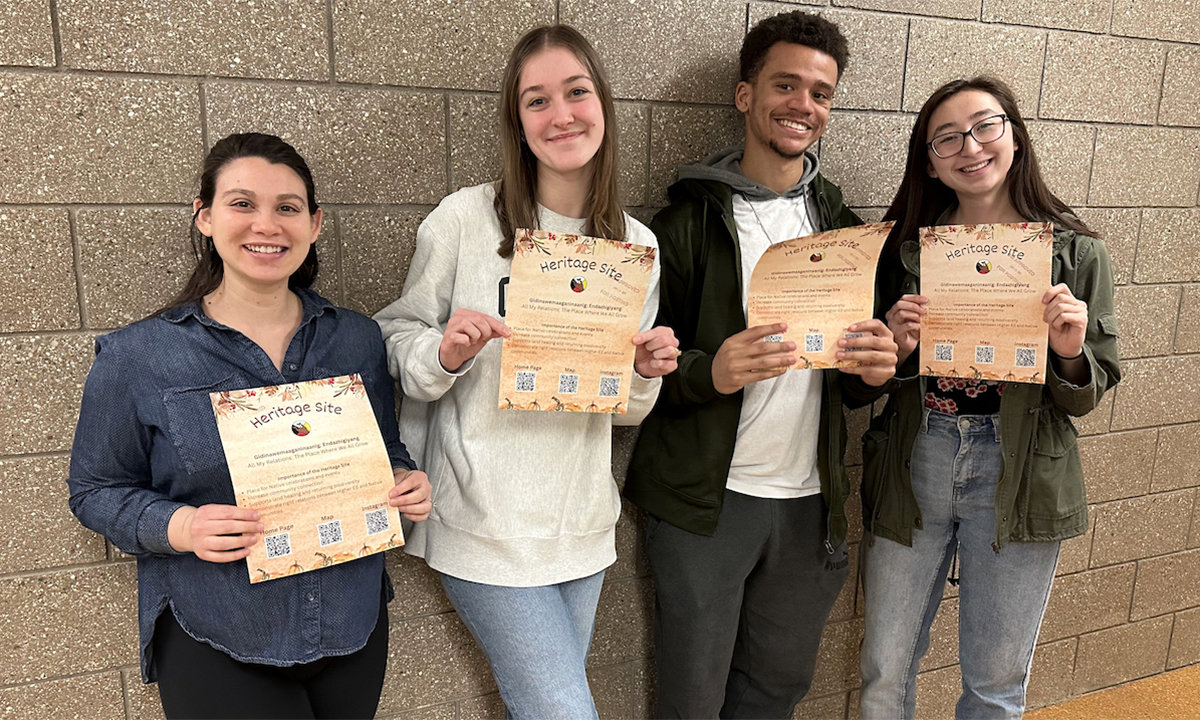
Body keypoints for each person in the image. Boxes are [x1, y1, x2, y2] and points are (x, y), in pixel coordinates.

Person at [67, 132, 432, 720]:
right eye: (242, 204)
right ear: (205, 217)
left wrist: (403, 478)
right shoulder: (139, 356)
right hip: (218, 628)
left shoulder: (357, 339)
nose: (267, 225)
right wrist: (181, 526)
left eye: (287, 207)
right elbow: (94, 490)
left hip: (351, 621)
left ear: (314, 224)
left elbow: (387, 450)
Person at [372, 25, 679, 719]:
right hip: (482, 523)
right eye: (537, 100)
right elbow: (394, 336)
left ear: (603, 104)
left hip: (581, 528)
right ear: (517, 121)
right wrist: (444, 354)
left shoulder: (634, 245)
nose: (560, 114)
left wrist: (642, 371)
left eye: (576, 92)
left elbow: (624, 411)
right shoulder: (465, 219)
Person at [622, 11, 898, 718]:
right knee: (692, 698)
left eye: (820, 93)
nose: (803, 104)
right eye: (785, 85)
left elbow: (848, 378)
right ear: (746, 96)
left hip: (809, 503)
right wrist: (708, 372)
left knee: (777, 690)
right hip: (706, 502)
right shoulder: (682, 225)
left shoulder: (844, 229)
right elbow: (635, 364)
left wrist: (872, 374)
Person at [858, 76, 1120, 719]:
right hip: (918, 454)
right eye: (947, 137)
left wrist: (1068, 350)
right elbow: (864, 377)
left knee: (996, 685)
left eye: (985, 126)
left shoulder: (1076, 253)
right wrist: (894, 344)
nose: (970, 147)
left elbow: (1090, 390)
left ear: (1015, 136)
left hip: (1021, 469)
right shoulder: (902, 250)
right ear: (929, 162)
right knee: (884, 671)